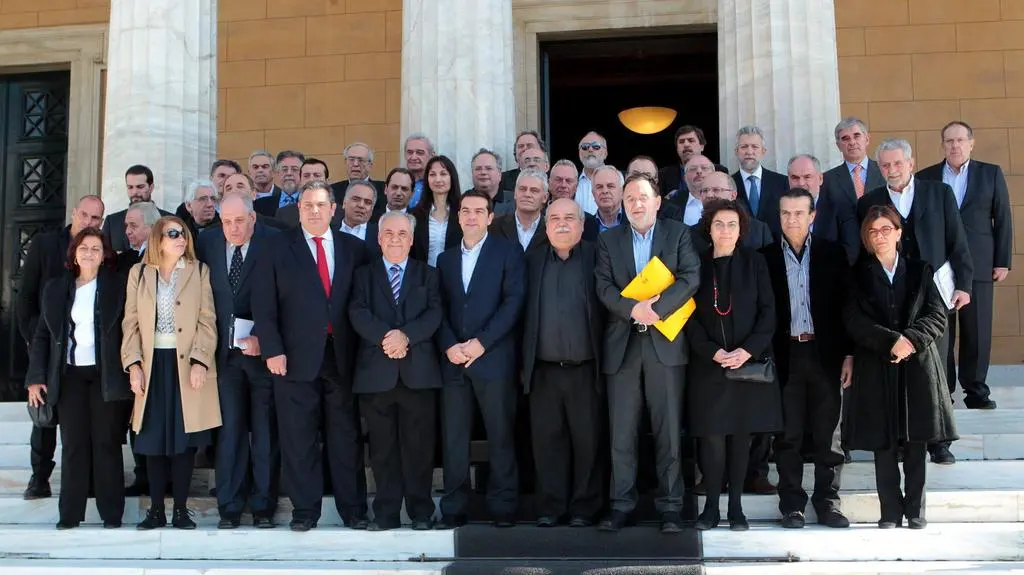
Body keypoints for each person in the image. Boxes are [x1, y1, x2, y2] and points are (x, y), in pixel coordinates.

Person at [253, 180, 370, 532]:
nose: (314, 211)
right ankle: (305, 511)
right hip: (293, 359)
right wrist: (272, 350)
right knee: (298, 438)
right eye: (307, 205)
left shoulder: (354, 249)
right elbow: (264, 305)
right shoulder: (276, 247)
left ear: (333, 210)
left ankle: (354, 511)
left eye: (321, 205)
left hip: (343, 357)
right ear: (299, 210)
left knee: (345, 437)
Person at [594, 173, 699, 534]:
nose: (636, 204)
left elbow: (690, 277)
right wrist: (632, 310)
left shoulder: (678, 234)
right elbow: (603, 286)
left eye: (642, 197)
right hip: (622, 345)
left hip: (665, 344)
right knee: (621, 432)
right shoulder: (608, 240)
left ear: (657, 201)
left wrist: (656, 309)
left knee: (668, 430)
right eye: (629, 199)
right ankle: (621, 504)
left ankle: (671, 507)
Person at [857, 139, 972, 466]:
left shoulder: (939, 193)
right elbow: (864, 249)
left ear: (910, 163)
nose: (892, 170)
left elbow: (957, 240)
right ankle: (899, 438)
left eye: (897, 163)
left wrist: (964, 285)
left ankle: (939, 441)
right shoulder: (869, 201)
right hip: (888, 296)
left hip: (934, 292)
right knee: (895, 362)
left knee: (938, 363)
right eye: (885, 165)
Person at [843, 206, 957, 530]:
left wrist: (910, 340)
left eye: (885, 229)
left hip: (917, 365)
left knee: (917, 440)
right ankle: (890, 511)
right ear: (866, 237)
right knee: (884, 442)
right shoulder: (857, 275)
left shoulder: (921, 270)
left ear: (898, 233)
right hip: (876, 364)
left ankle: (916, 510)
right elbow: (853, 319)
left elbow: (936, 315)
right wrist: (890, 341)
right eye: (873, 231)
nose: (879, 236)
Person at [25, 228, 132, 529]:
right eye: (84, 248)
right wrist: (35, 377)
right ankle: (69, 515)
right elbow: (43, 335)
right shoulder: (56, 288)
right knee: (73, 444)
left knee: (106, 443)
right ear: (74, 254)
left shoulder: (117, 286)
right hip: (69, 376)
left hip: (105, 375)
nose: (89, 254)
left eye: (96, 249)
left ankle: (112, 514)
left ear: (104, 255)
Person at [685, 199, 781, 531]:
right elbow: (687, 317)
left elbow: (768, 313)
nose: (725, 230)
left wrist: (747, 351)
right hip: (708, 365)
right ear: (709, 229)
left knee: (740, 438)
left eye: (732, 224)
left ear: (741, 230)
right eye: (719, 224)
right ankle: (711, 508)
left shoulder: (755, 262)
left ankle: (736, 508)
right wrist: (711, 351)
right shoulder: (696, 264)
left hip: (745, 365)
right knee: (711, 438)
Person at [761, 188, 852, 529]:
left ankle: (828, 502)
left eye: (799, 213)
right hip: (785, 355)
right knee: (788, 435)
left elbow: (847, 307)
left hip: (824, 353)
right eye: (785, 213)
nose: (792, 219)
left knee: (829, 435)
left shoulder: (832, 253)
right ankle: (792, 505)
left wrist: (849, 354)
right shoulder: (765, 257)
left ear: (812, 216)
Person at [122, 217, 221, 530]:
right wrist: (134, 365)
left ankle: (180, 510)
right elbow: (130, 323)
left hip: (185, 364)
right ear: (158, 239)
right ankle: (155, 511)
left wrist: (200, 361)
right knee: (152, 438)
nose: (181, 239)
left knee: (183, 439)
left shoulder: (198, 271)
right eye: (173, 234)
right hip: (151, 366)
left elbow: (207, 319)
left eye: (184, 234)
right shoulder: (139, 273)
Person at [435, 190, 525, 529]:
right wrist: (450, 346)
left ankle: (503, 506)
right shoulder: (445, 260)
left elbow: (513, 303)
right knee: (454, 438)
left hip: (493, 358)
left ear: (490, 217)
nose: (471, 216)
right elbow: (438, 307)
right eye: (465, 211)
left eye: (478, 211)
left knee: (500, 435)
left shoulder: (508, 252)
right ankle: (454, 506)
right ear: (458, 216)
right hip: (454, 360)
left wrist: (481, 343)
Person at [349, 212, 442, 531]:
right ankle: (386, 514)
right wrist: (386, 338)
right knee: (382, 449)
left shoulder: (428, 274)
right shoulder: (363, 275)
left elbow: (434, 313)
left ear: (412, 239)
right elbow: (357, 312)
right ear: (378, 238)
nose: (395, 239)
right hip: (377, 374)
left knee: (419, 448)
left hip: (418, 374)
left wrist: (406, 337)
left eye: (402, 234)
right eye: (388, 233)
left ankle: (421, 513)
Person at [197, 193, 281, 529]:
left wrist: (263, 336)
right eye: (227, 222)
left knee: (264, 433)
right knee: (230, 431)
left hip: (262, 355)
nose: (233, 228)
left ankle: (263, 507)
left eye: (239, 221)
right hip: (224, 357)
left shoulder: (274, 241)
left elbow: (285, 295)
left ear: (253, 218)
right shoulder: (207, 242)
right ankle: (229, 508)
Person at [917, 121, 1013, 410]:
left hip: (980, 264)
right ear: (942, 145)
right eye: (949, 141)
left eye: (960, 140)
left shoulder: (990, 173)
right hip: (940, 267)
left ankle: (976, 391)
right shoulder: (926, 177)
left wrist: (1002, 261)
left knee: (977, 331)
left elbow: (1003, 218)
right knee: (941, 331)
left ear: (971, 143)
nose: (954, 145)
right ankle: (943, 391)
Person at [522, 198, 606, 527]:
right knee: (547, 443)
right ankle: (551, 507)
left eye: (569, 218)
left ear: (582, 225)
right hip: (543, 370)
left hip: (586, 369)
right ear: (545, 227)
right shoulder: (531, 261)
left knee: (588, 443)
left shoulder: (597, 256)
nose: (561, 224)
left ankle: (584, 508)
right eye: (554, 218)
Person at [16, 195, 105, 500]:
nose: (89, 222)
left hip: (83, 353)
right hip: (47, 344)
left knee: (84, 419)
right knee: (44, 412)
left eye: (95, 218)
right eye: (85, 215)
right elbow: (26, 296)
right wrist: (35, 340)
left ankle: (88, 479)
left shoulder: (100, 249)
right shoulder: (44, 244)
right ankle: (39, 477)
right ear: (74, 213)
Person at [411, 156, 463, 266]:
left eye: (443, 174)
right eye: (432, 175)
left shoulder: (463, 214)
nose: (438, 179)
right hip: (422, 274)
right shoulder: (415, 215)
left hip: (453, 274)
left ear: (452, 178)